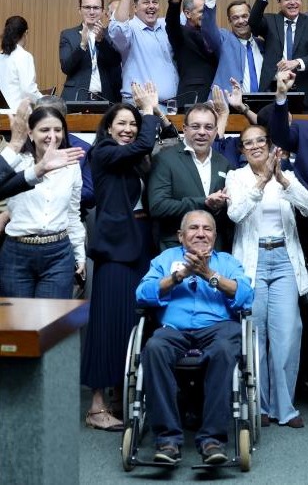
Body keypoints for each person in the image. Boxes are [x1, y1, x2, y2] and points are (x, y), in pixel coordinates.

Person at [136, 210, 254, 466]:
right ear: (180, 236)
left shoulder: (227, 262)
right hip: (174, 329)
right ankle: (167, 440)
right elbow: (141, 293)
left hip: (218, 328)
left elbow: (246, 296)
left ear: (215, 236)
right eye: (193, 228)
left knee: (225, 350)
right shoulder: (165, 259)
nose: (201, 233)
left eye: (207, 229)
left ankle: (212, 440)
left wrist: (209, 274)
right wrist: (176, 277)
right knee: (154, 348)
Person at [81, 83, 161, 431]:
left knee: (131, 323)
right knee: (105, 323)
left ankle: (118, 397)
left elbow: (159, 142)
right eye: (122, 124)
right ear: (109, 128)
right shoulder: (103, 151)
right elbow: (145, 142)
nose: (128, 129)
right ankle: (96, 406)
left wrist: (155, 117)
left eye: (132, 123)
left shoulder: (132, 161)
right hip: (115, 249)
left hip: (141, 242)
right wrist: (147, 110)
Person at [226, 125, 308, 428]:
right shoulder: (235, 177)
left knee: (287, 333)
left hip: (284, 261)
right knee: (256, 334)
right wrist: (261, 182)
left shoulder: (285, 175)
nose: (255, 146)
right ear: (242, 150)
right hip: (253, 262)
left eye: (260, 141)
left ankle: (285, 407)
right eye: (248, 143)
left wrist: (281, 180)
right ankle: (259, 406)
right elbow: (235, 214)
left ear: (269, 145)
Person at [0, 106, 85, 297]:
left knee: (52, 315)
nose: (52, 136)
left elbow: (73, 213)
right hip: (17, 251)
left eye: (58, 130)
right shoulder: (17, 162)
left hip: (58, 253)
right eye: (45, 130)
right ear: (30, 133)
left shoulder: (71, 166)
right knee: (17, 316)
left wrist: (79, 252)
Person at [148, 103, 232, 251]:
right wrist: (204, 202)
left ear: (215, 131)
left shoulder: (224, 163)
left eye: (208, 127)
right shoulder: (165, 159)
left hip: (215, 251)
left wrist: (220, 207)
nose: (202, 132)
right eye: (195, 126)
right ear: (184, 129)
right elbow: (158, 207)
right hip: (176, 249)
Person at [249, 0, 308, 112]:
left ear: (301, 1)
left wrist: (297, 62)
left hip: (306, 93)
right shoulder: (270, 21)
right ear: (279, 2)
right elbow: (253, 22)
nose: (292, 2)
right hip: (274, 90)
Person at [109, 0, 178, 105]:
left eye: (154, 2)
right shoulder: (130, 29)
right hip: (139, 106)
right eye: (146, 2)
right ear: (135, 8)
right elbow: (118, 27)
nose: (151, 6)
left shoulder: (166, 25)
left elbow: (192, 15)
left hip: (171, 106)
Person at [59, 0, 122, 103]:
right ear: (80, 10)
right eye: (87, 7)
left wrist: (101, 41)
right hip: (76, 96)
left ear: (102, 11)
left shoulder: (110, 34)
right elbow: (66, 67)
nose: (92, 12)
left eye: (96, 8)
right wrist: (82, 45)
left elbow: (115, 62)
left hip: (106, 97)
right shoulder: (68, 35)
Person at [165, 0, 217, 105]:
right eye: (201, 11)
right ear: (188, 14)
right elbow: (171, 21)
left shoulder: (214, 34)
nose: (206, 15)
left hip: (215, 95)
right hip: (192, 96)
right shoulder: (181, 34)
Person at [0, 15, 42, 109]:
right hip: (18, 113)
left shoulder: (1, 56)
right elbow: (28, 90)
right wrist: (45, 100)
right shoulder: (24, 56)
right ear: (25, 33)